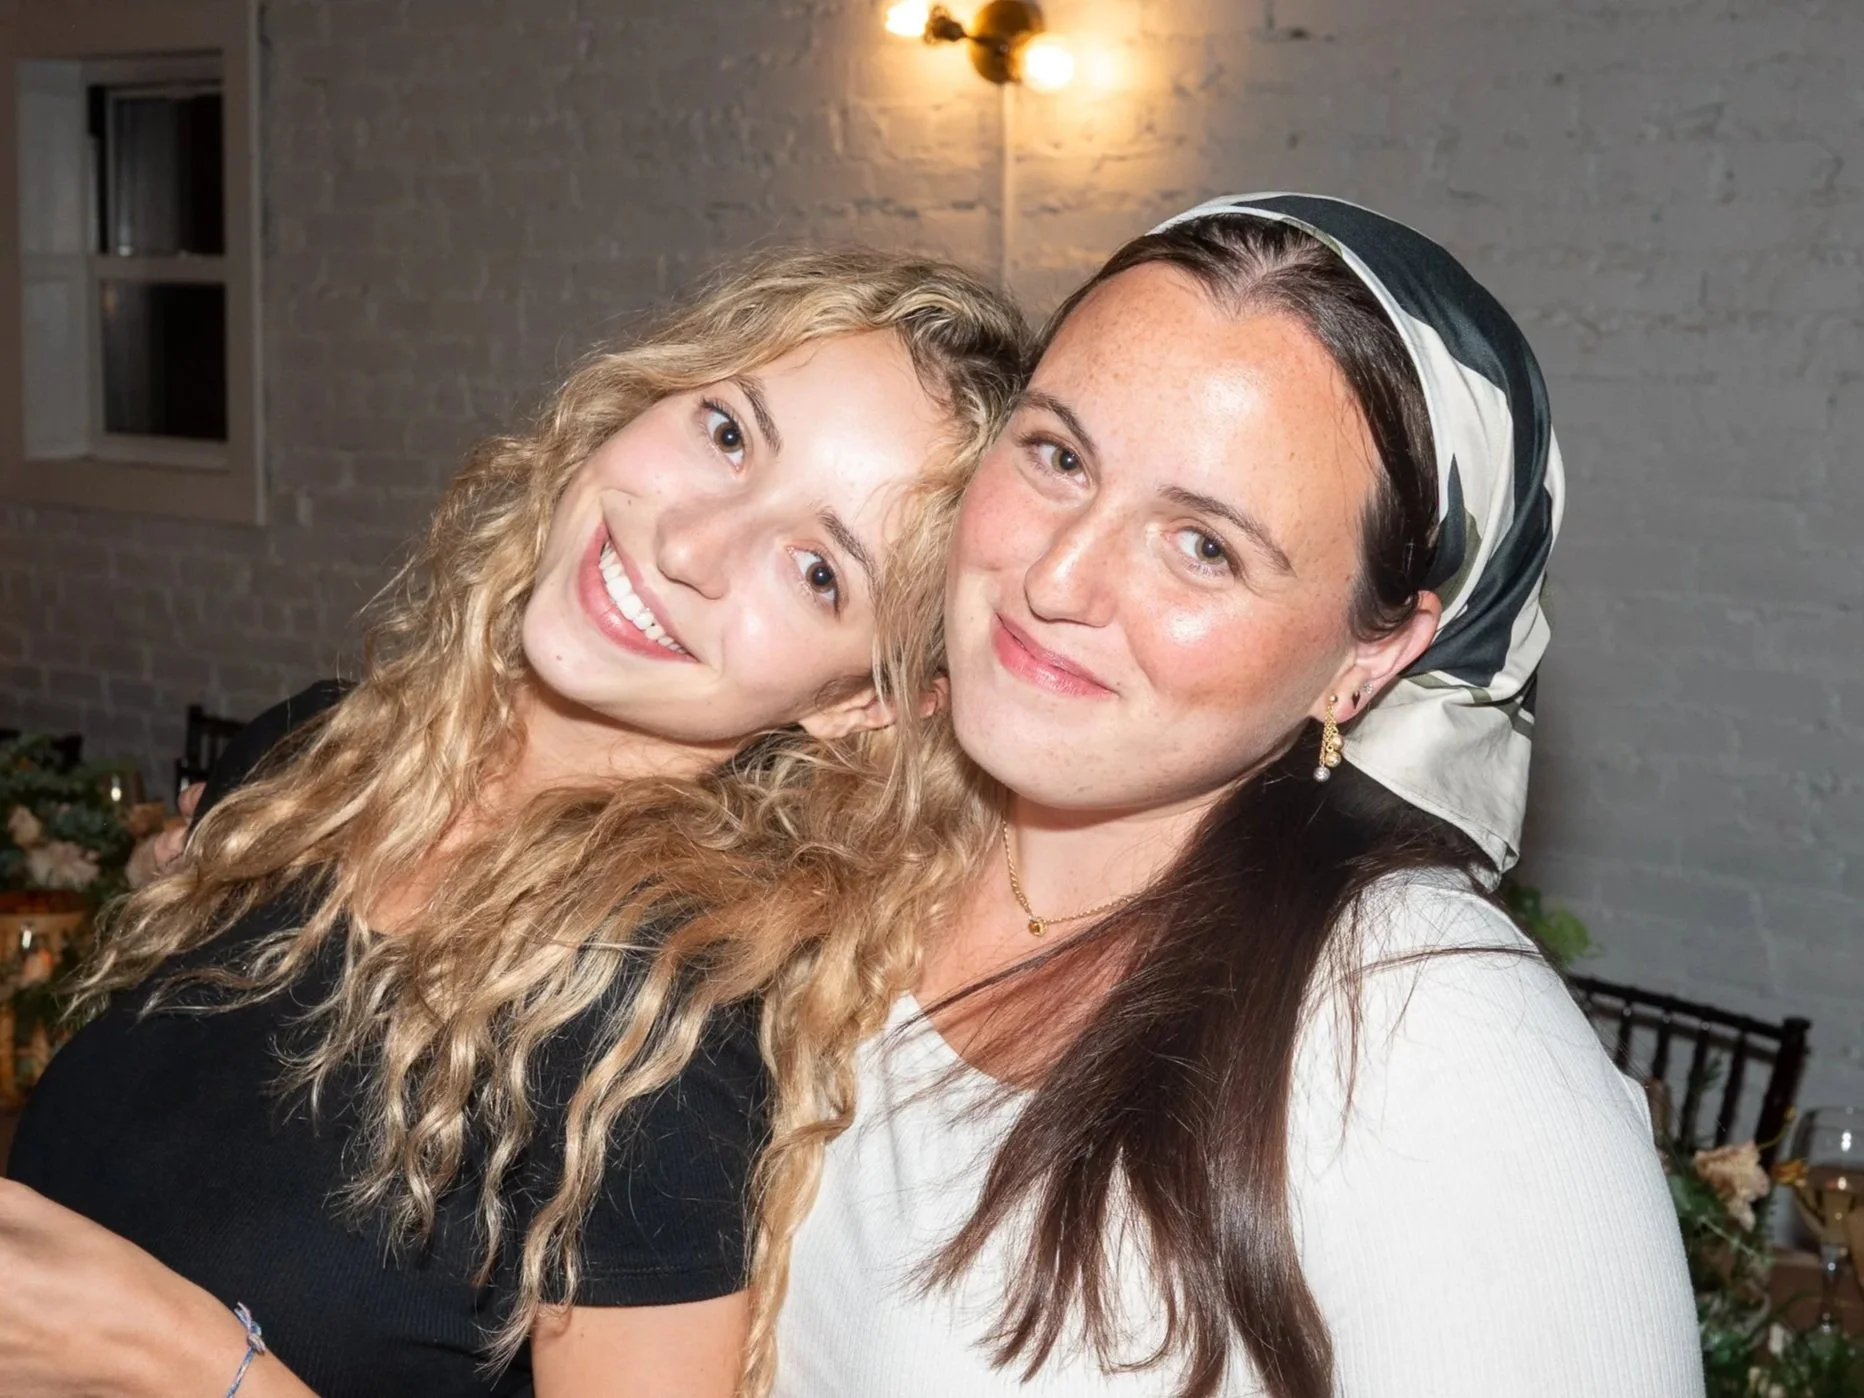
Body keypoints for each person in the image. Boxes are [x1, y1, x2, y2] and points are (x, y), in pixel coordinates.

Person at [1, 247, 1027, 1398]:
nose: (686, 544)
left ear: (859, 699)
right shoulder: (317, 756)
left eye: (816, 570)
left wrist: (188, 1367)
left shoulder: (658, 1045)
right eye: (728, 433)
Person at [770, 196, 1703, 1396]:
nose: (1058, 580)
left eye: (1204, 545)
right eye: (1058, 457)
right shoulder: (838, 825)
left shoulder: (1430, 1040)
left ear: (1374, 654)